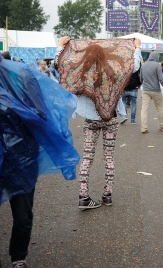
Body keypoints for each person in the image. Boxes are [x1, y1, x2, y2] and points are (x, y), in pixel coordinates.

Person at [1, 52, 80, 268]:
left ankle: (18, 257)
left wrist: (14, 109)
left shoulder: (23, 76)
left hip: (21, 155)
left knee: (23, 213)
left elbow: (40, 113)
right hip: (18, 154)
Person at [56, 36, 133, 209]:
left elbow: (62, 65)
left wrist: (59, 46)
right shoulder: (113, 71)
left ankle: (83, 197)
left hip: (91, 120)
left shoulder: (81, 73)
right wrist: (136, 48)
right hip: (111, 118)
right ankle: (107, 195)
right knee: (109, 157)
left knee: (87, 157)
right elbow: (132, 66)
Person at [140, 51, 163, 133]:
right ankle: (162, 126)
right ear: (156, 57)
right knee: (159, 108)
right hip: (155, 90)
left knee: (144, 109)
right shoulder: (157, 65)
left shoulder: (143, 66)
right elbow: (161, 79)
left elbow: (141, 79)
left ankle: (143, 128)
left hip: (145, 90)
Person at [120, 39, 143, 124]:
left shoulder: (124, 65)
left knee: (123, 103)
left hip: (125, 87)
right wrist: (139, 84)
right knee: (134, 103)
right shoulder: (135, 67)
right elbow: (139, 74)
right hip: (134, 87)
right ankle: (133, 120)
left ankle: (124, 116)